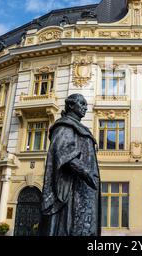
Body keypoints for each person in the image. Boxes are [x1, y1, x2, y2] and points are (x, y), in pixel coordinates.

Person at [39, 94, 100, 236]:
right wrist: (86, 172)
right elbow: (64, 153)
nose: (85, 107)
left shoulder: (78, 127)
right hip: (72, 187)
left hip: (83, 187)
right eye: (82, 104)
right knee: (70, 225)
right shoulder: (65, 125)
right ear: (71, 105)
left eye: (86, 104)